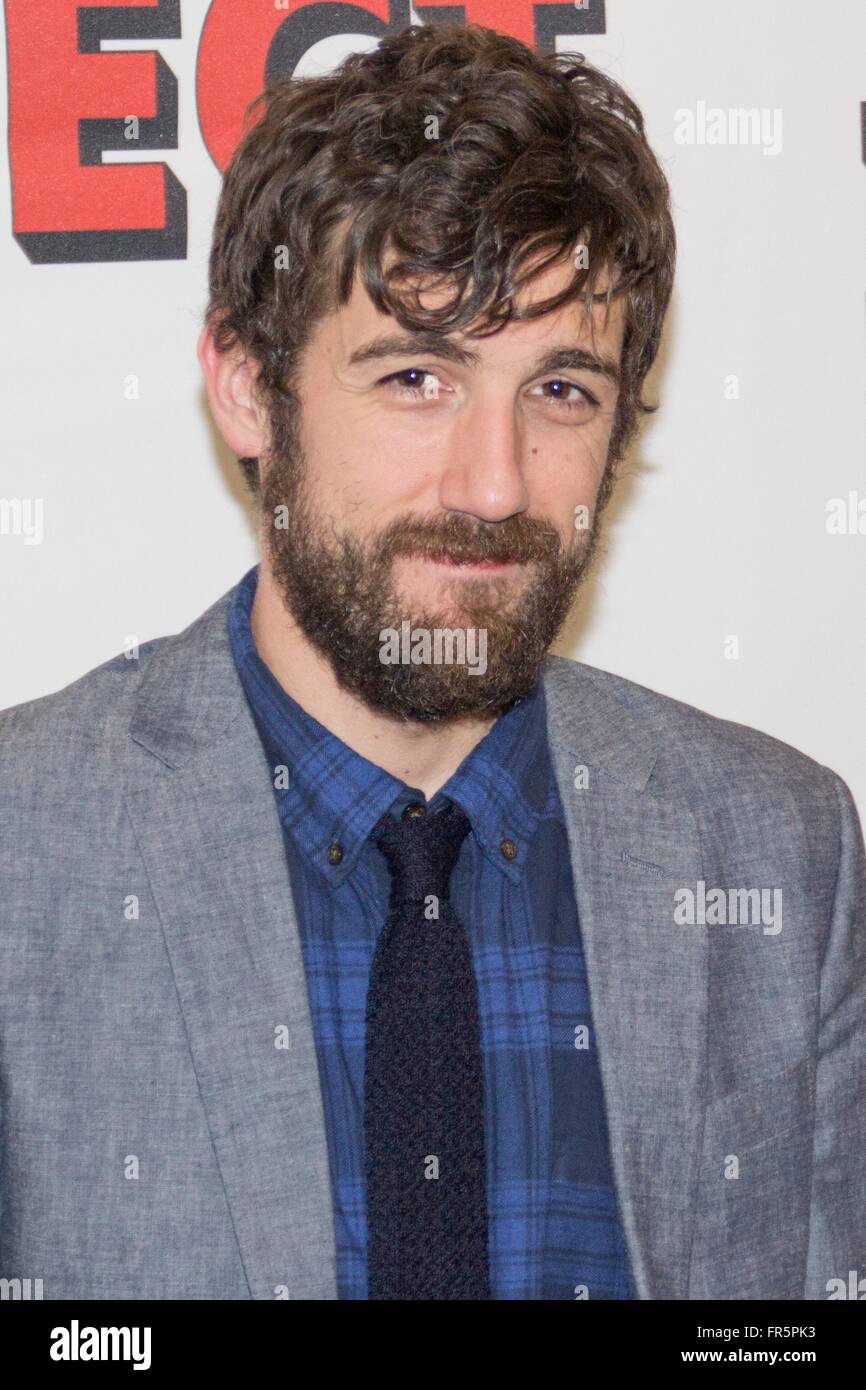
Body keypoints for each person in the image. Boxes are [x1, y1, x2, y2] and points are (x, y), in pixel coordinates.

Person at [1, 22, 863, 1302]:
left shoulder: (773, 852)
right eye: (416, 376)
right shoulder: (27, 843)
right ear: (247, 385)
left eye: (560, 389)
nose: (493, 482)